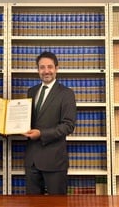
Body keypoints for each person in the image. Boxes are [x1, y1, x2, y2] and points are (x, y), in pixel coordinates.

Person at [23, 51, 77, 195]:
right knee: (32, 204)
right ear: (37, 70)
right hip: (32, 160)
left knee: (57, 204)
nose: (46, 71)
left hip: (54, 161)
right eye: (42, 67)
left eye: (50, 67)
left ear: (56, 68)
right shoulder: (31, 91)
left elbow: (68, 125)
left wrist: (41, 134)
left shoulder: (66, 94)